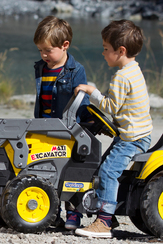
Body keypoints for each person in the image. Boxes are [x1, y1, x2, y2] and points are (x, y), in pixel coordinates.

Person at [74, 19, 153, 238]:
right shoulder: (135, 70)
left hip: (132, 138)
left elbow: (111, 106)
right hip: (136, 134)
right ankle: (108, 212)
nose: (103, 53)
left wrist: (92, 91)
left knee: (108, 172)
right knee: (103, 169)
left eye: (106, 49)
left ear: (121, 51)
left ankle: (104, 222)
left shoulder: (121, 77)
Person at [33, 15, 92, 230]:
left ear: (65, 45)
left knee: (71, 171)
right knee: (47, 170)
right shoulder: (41, 68)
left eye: (48, 50)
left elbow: (82, 101)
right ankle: (51, 212)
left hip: (68, 130)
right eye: (40, 50)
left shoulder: (76, 71)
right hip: (44, 127)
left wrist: (87, 122)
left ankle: (74, 213)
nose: (44, 55)